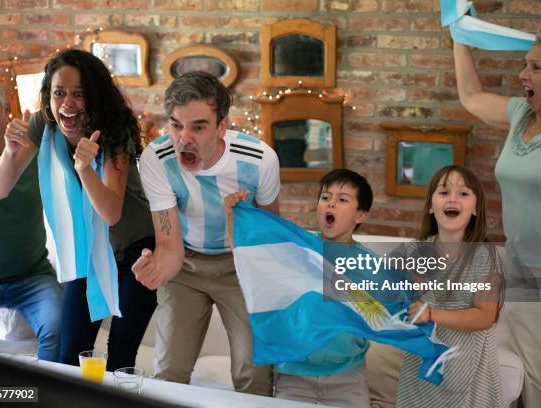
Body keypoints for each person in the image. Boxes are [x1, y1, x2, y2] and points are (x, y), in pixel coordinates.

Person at [0, 49, 156, 372]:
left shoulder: (113, 129)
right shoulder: (43, 124)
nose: (68, 103)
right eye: (59, 93)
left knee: (120, 359)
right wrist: (10, 153)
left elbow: (111, 213)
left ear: (94, 97)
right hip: (87, 252)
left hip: (136, 249)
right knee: (69, 357)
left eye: (79, 94)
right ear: (48, 96)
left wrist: (85, 168)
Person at [131, 71, 279, 396]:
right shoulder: (156, 158)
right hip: (184, 267)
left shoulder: (260, 160)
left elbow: (270, 237)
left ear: (222, 125)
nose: (185, 138)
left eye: (198, 126)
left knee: (253, 374)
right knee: (168, 373)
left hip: (242, 266)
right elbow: (169, 245)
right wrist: (156, 271)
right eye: (176, 125)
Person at [453, 33, 541, 407]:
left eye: (536, 67)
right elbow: (472, 98)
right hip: (524, 274)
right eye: (525, 63)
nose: (523, 74)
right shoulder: (521, 113)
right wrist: (459, 37)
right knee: (535, 387)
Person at [224, 168, 373, 407]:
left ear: (360, 215)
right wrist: (234, 216)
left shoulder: (370, 265)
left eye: (342, 200)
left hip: (348, 379)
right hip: (294, 377)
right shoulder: (296, 248)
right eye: (326, 198)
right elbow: (250, 258)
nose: (331, 204)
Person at [0, 76, 62, 361]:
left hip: (32, 276)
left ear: (6, 110)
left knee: (57, 329)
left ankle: (42, 397)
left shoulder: (32, 143)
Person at [395, 165, 504, 408]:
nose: (453, 198)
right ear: (430, 207)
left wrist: (432, 313)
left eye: (463, 193)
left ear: (475, 209)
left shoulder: (483, 256)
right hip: (422, 367)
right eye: (444, 192)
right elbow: (405, 305)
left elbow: (485, 316)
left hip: (469, 367)